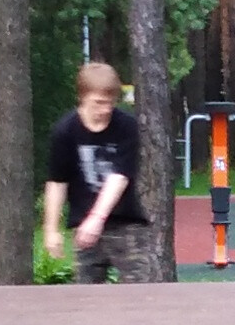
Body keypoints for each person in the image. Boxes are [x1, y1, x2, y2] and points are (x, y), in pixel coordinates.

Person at [40, 58, 162, 282]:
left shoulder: (126, 126)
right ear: (82, 97)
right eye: (98, 103)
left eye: (110, 103)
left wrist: (97, 218)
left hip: (126, 226)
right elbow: (57, 182)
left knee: (142, 290)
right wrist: (51, 229)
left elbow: (119, 177)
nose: (105, 109)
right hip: (84, 229)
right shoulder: (65, 131)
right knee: (87, 295)